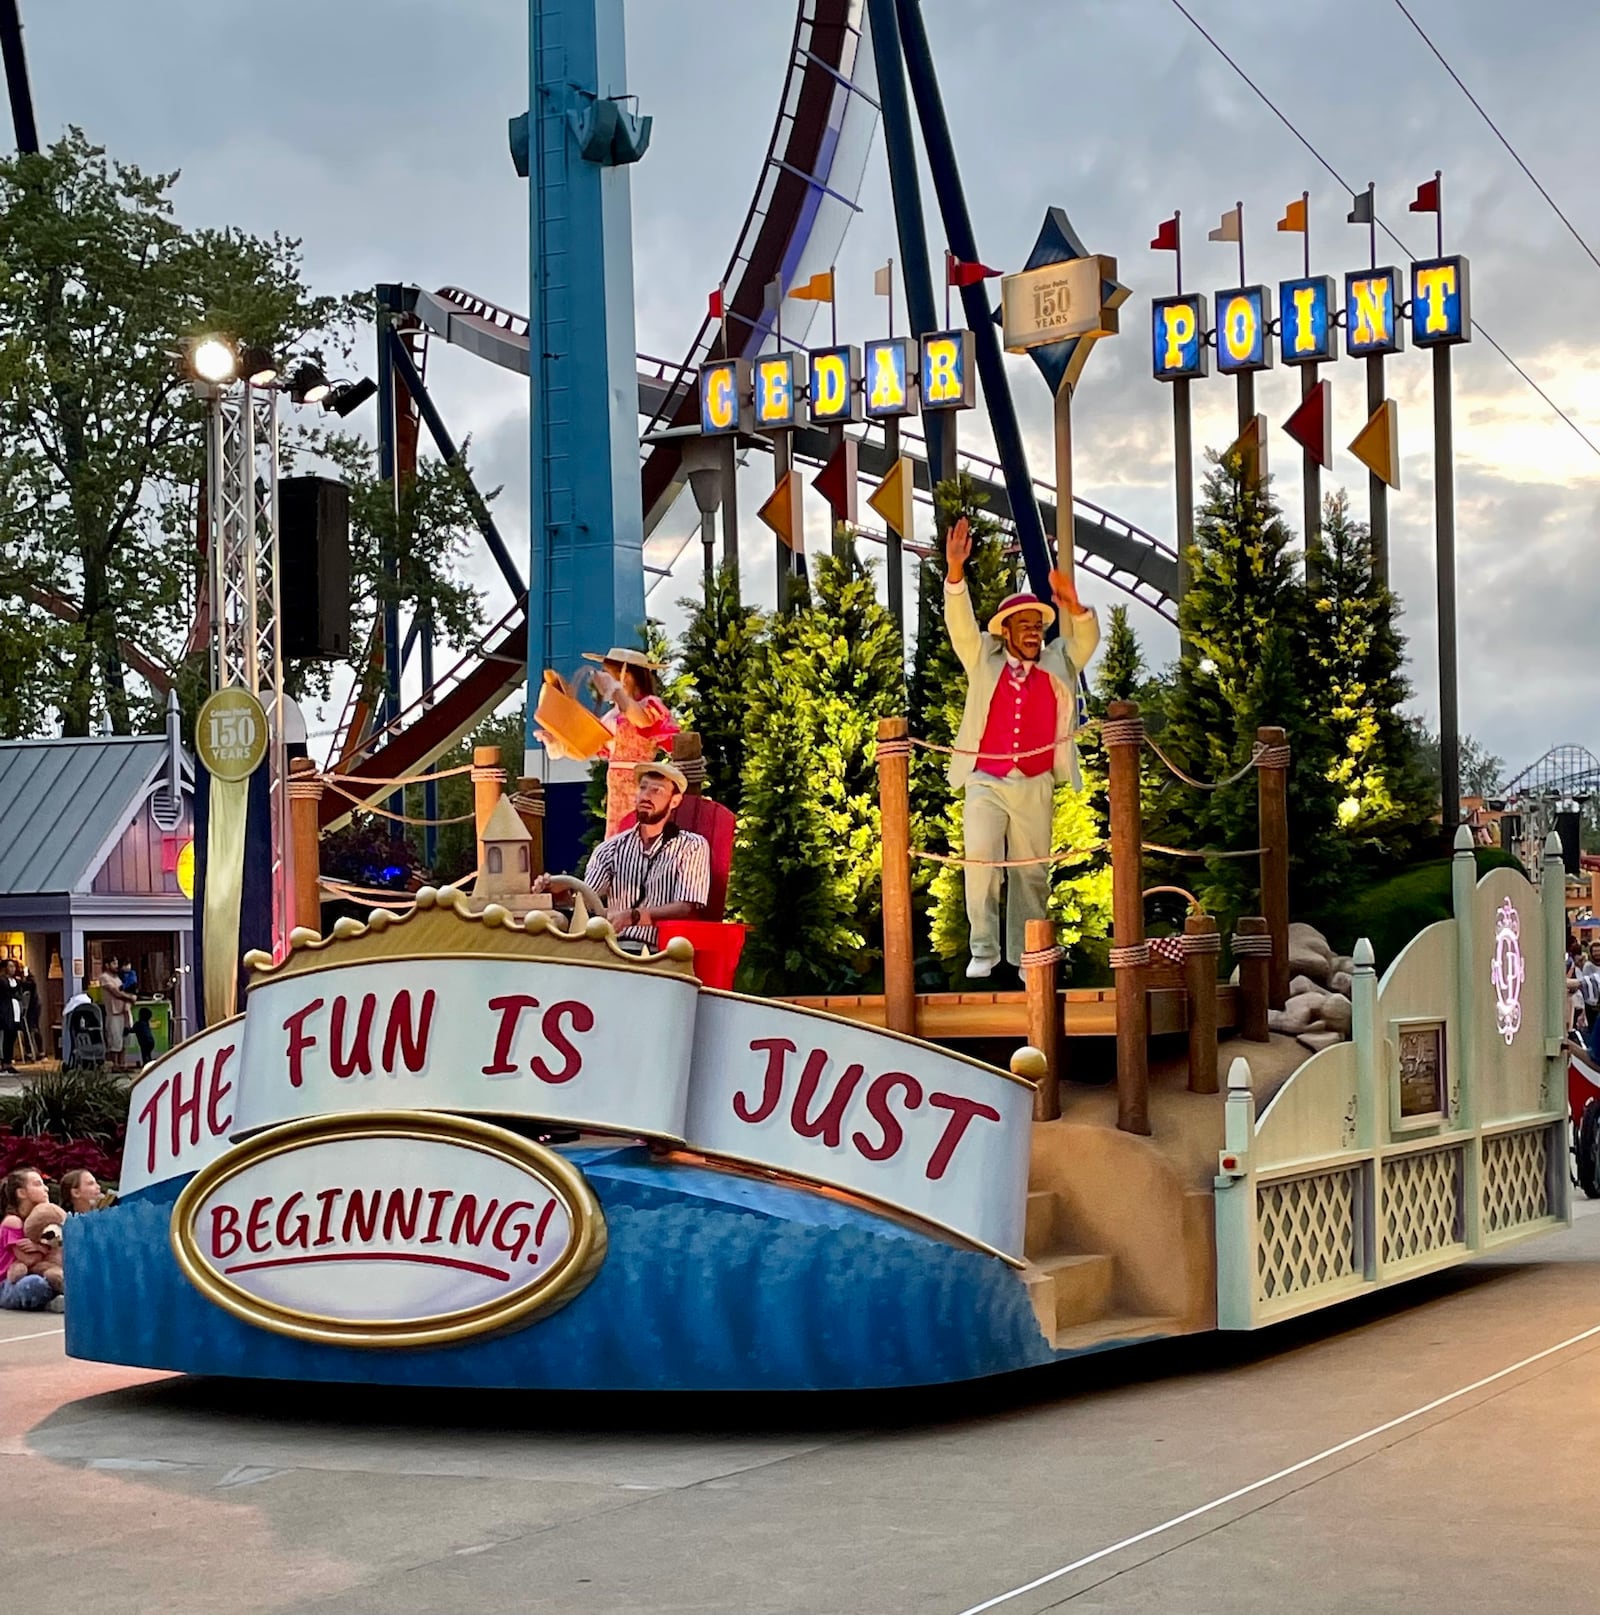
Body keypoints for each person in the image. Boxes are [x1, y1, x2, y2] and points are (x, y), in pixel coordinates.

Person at [943, 515, 1100, 978]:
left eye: (1039, 625)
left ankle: (1027, 956)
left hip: (1034, 782)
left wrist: (1075, 608)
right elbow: (961, 627)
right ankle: (984, 949)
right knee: (982, 863)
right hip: (985, 780)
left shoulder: (1058, 662)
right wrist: (956, 572)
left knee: (1032, 871)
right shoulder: (983, 658)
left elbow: (1085, 641)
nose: (1034, 633)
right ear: (1006, 632)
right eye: (1024, 626)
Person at [538, 761, 710, 953]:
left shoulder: (691, 846)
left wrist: (635, 916)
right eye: (643, 788)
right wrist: (562, 895)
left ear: (675, 801)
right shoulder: (610, 848)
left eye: (657, 790)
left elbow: (685, 907)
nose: (646, 796)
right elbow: (588, 901)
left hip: (660, 953)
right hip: (613, 949)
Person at [585, 648, 681, 838]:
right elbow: (594, 745)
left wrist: (616, 692)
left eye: (609, 672)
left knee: (639, 834)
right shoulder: (613, 713)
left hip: (640, 783)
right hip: (616, 787)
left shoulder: (650, 704)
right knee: (618, 838)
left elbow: (642, 720)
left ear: (626, 675)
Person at [0, 1167, 57, 1311]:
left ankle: (52, 1297)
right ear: (22, 1193)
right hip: (8, 1282)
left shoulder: (41, 1221)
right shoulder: (13, 1221)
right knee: (35, 1284)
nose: (46, 1189)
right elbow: (28, 1260)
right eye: (38, 1184)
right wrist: (45, 1248)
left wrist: (41, 1247)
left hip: (38, 1273)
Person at [97, 956, 133, 1069]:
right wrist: (130, 997)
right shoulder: (104, 977)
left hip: (124, 1012)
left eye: (117, 963)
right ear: (107, 965)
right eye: (114, 963)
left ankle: (123, 1064)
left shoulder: (119, 977)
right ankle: (115, 1065)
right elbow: (115, 992)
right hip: (113, 1013)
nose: (116, 965)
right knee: (114, 1040)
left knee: (125, 1040)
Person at [0, 961, 19, 1075]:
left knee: (12, 1038)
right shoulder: (2, 981)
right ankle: (4, 1063)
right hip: (5, 1013)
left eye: (14, 966)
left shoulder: (16, 980)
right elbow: (7, 992)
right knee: (5, 1039)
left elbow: (29, 985)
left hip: (15, 1013)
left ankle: (9, 1062)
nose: (13, 969)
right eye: (10, 966)